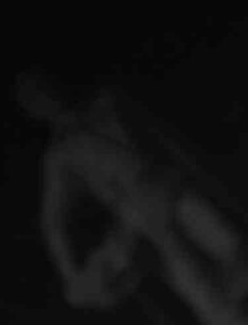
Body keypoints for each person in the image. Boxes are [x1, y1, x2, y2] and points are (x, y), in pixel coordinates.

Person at [18, 71, 232, 313]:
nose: (46, 97)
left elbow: (165, 136)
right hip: (137, 215)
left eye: (44, 87)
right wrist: (72, 275)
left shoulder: (108, 101)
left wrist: (200, 172)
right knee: (202, 291)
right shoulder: (60, 152)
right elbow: (53, 220)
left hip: (173, 186)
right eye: (35, 98)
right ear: (33, 112)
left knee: (241, 255)